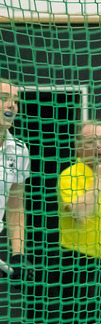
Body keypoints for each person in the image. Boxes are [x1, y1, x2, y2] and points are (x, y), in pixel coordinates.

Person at [52, 120, 101, 324]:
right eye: (91, 142)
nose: (99, 146)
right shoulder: (70, 175)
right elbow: (80, 214)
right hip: (76, 264)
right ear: (78, 146)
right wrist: (98, 181)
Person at [1, 79, 29, 282]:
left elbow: (15, 207)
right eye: (4, 98)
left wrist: (18, 254)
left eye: (15, 100)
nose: (12, 105)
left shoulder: (19, 150)